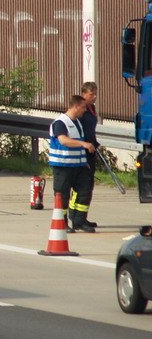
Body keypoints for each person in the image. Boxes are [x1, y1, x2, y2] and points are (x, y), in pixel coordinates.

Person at [49, 95, 96, 233]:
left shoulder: (77, 122)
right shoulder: (60, 122)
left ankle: (79, 221)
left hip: (79, 165)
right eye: (83, 108)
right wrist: (83, 144)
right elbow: (64, 140)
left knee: (84, 191)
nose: (84, 111)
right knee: (62, 195)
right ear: (75, 106)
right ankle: (61, 222)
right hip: (63, 166)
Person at [71, 81, 100, 230]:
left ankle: (81, 217)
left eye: (95, 93)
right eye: (91, 94)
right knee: (83, 185)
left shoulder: (92, 109)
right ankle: (77, 218)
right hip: (82, 151)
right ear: (83, 94)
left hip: (91, 149)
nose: (94, 97)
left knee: (88, 185)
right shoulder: (81, 111)